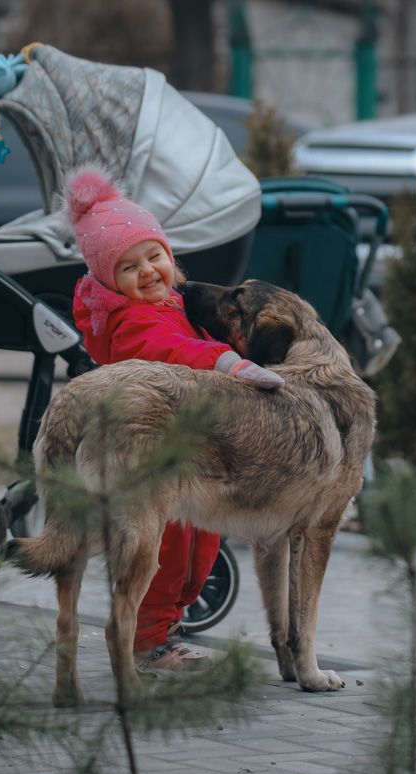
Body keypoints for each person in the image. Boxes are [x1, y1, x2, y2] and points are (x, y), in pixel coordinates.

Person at [66, 168, 282, 672]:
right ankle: (146, 641)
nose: (146, 271)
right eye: (127, 267)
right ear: (108, 283)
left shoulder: (174, 304)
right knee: (163, 549)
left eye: (153, 256)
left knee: (200, 550)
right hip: (153, 454)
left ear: (170, 257)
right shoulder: (130, 324)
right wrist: (228, 362)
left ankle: (166, 629)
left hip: (192, 453)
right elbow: (174, 351)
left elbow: (193, 339)